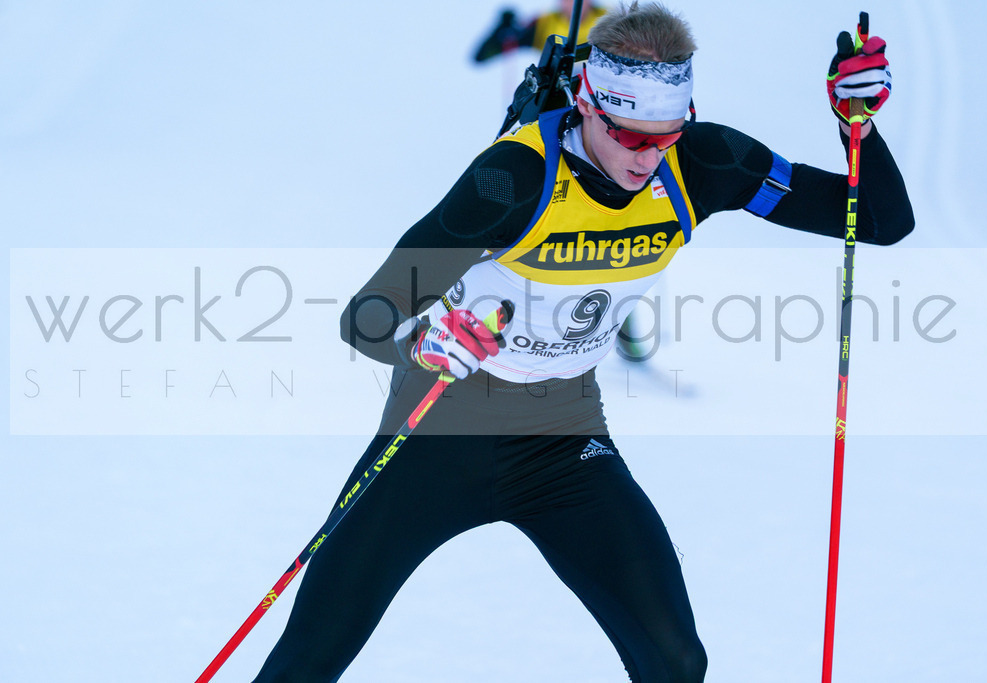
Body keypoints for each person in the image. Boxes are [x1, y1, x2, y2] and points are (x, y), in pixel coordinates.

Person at [254, 2, 912, 681]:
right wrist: (421, 342)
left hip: (563, 440)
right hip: (437, 432)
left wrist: (855, 127)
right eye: (630, 137)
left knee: (675, 658)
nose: (648, 158)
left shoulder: (702, 162)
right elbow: (367, 314)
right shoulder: (513, 178)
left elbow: (878, 221)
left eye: (666, 136)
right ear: (587, 104)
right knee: (308, 659)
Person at [473, 0, 606, 63]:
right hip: (563, 92)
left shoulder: (609, 18)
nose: (572, 3)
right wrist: (499, 30)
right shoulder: (543, 24)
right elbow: (481, 57)